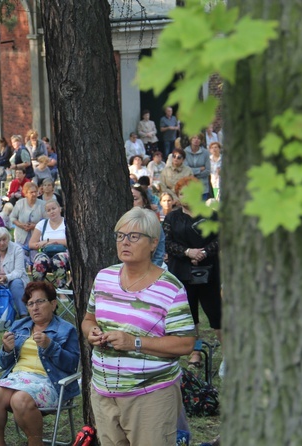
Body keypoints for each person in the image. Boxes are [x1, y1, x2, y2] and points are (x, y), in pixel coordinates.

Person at [82, 207, 196, 446]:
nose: (125, 242)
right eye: (120, 235)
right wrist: (91, 332)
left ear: (153, 243)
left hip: (150, 395)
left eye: (134, 237)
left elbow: (186, 343)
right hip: (103, 392)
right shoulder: (104, 277)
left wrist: (133, 342)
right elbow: (88, 319)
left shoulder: (170, 288)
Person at [0, 281, 80, 446]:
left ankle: (36, 443)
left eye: (40, 301)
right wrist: (7, 349)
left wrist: (50, 346)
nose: (35, 307)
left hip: (49, 381)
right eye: (30, 303)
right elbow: (5, 363)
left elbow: (71, 365)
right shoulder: (19, 326)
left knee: (20, 399)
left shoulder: (66, 329)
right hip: (17, 378)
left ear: (53, 304)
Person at [163, 177, 221, 367]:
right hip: (181, 270)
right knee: (190, 315)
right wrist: (188, 252)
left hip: (209, 270)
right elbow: (168, 243)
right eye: (181, 193)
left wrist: (204, 252)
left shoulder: (211, 215)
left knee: (216, 313)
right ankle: (195, 352)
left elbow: (220, 238)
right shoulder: (172, 217)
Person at [28, 199, 70, 288]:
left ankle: (62, 291)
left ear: (60, 209)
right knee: (40, 261)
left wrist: (50, 241)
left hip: (64, 253)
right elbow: (31, 244)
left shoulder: (67, 223)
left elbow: (70, 243)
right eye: (48, 210)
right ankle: (38, 289)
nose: (52, 212)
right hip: (46, 252)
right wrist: (41, 244)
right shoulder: (42, 224)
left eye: (54, 208)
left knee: (57, 260)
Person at [131, 185, 166, 266]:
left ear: (144, 201)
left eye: (135, 199)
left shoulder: (153, 223)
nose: (131, 201)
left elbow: (159, 254)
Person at [10, 182, 46, 259]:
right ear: (25, 193)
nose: (34, 194)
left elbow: (46, 221)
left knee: (34, 258)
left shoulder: (42, 204)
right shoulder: (20, 203)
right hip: (21, 235)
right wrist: (21, 225)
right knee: (20, 257)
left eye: (35, 192)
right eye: (31, 192)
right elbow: (12, 217)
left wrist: (35, 226)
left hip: (35, 235)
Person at [184, 133, 212, 199]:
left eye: (198, 138)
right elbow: (186, 170)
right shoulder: (185, 152)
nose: (196, 140)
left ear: (201, 141)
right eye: (194, 138)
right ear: (191, 140)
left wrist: (193, 175)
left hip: (203, 186)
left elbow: (208, 170)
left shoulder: (205, 152)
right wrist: (199, 169)